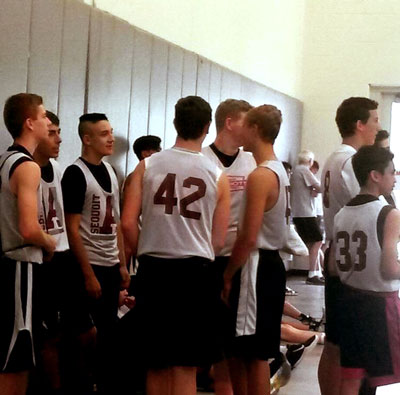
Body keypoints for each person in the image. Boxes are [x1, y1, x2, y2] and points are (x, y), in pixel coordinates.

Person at [121, 96, 230, 395]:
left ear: (174, 123)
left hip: (155, 269)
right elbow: (218, 240)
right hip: (196, 272)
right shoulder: (217, 175)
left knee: (156, 362)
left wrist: (147, 249)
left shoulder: (147, 165)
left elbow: (128, 222)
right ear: (207, 128)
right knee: (185, 365)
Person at [222, 104, 290, 395]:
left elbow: (248, 237)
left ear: (256, 130)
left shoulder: (260, 175)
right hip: (270, 265)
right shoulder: (278, 170)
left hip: (256, 266)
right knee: (249, 352)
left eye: (245, 125)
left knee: (252, 354)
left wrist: (227, 273)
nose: (240, 131)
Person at [61, 113, 130, 393]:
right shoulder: (76, 174)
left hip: (110, 263)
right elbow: (72, 228)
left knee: (110, 334)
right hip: (87, 266)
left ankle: (104, 383)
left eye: (111, 132)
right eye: (104, 133)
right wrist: (88, 274)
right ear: (87, 139)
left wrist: (122, 264)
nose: (111, 138)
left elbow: (116, 222)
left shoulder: (111, 172)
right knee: (83, 335)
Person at [318, 97, 380, 395]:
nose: (377, 127)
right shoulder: (351, 161)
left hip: (338, 252)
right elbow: (368, 209)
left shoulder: (334, 157)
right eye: (375, 121)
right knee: (353, 343)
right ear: (360, 124)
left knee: (335, 341)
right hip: (352, 260)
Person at [31, 111, 96, 393]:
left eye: (59, 132)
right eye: (52, 133)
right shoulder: (21, 168)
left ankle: (81, 383)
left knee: (86, 331)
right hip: (40, 259)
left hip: (63, 256)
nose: (59, 139)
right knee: (48, 337)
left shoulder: (58, 170)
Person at [330, 145, 400, 394]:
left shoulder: (342, 214)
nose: (395, 177)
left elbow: (333, 267)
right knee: (378, 376)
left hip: (349, 302)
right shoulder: (388, 213)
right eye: (391, 172)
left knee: (351, 378)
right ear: (375, 175)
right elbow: (390, 269)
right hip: (379, 306)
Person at [0, 93, 56, 395]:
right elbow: (28, 228)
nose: (48, 121)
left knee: (18, 355)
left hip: (10, 264)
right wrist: (50, 243)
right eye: (44, 115)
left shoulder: (5, 160)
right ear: (29, 122)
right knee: (16, 355)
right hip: (20, 265)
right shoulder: (27, 166)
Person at [202, 98, 255, 395]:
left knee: (239, 346)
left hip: (241, 259)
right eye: (246, 122)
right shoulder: (204, 159)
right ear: (230, 123)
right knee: (218, 345)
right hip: (210, 257)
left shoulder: (250, 161)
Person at [291, 149, 324, 284]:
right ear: (310, 161)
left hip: (299, 212)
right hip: (305, 212)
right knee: (318, 241)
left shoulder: (295, 171)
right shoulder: (304, 170)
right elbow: (319, 187)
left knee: (313, 243)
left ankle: (316, 271)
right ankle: (312, 274)